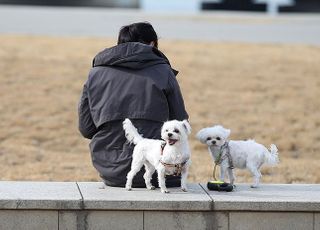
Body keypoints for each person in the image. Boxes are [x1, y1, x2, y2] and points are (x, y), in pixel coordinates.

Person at [78, 22, 189, 187]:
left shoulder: (95, 73)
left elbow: (86, 129)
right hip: (164, 171)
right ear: (152, 44)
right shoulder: (164, 72)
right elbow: (181, 124)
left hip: (110, 169)